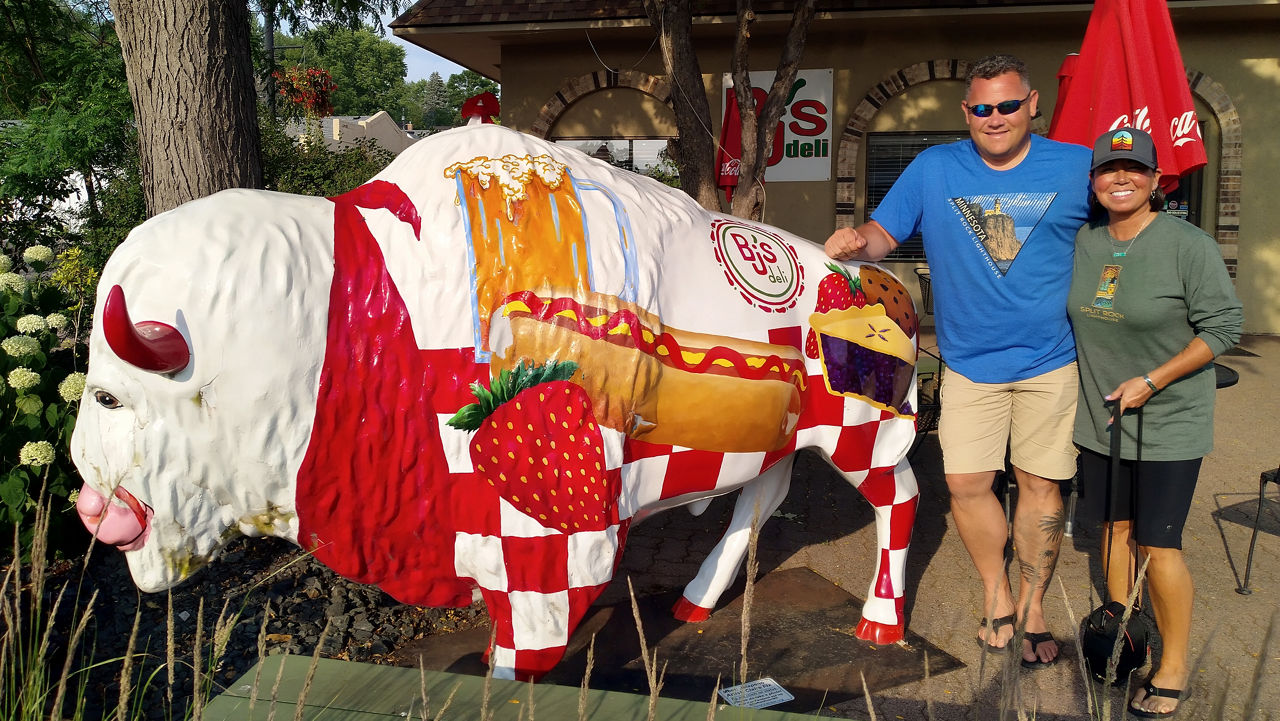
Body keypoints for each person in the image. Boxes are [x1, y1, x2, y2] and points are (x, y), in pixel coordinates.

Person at [825, 54, 1091, 668]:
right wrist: (854, 243)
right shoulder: (934, 168)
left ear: (1032, 106)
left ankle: (1034, 603)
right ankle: (996, 592)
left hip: (1052, 359)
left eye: (1006, 105)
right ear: (965, 112)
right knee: (967, 483)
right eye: (981, 108)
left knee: (1040, 485)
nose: (994, 118)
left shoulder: (1076, 167)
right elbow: (883, 234)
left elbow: (1124, 226)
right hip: (969, 361)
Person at [1069, 127, 1242, 717]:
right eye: (1109, 170)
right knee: (1113, 533)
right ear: (1093, 182)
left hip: (1168, 420)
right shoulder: (1086, 241)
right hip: (1103, 424)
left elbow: (1222, 328)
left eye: (1134, 169)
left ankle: (1173, 666)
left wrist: (1152, 380)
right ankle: (1127, 637)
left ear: (1155, 180)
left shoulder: (1186, 243)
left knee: (1157, 543)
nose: (1122, 178)